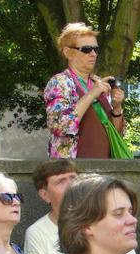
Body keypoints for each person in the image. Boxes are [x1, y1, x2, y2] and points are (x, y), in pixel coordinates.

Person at [24, 159, 138, 254]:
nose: (71, 184)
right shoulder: (37, 233)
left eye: (73, 177)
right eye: (61, 181)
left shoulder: (111, 225)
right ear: (45, 195)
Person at [44, 22, 126, 158]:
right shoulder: (60, 82)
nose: (93, 54)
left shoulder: (98, 83)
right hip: (72, 170)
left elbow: (117, 135)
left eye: (96, 49)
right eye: (86, 49)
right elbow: (60, 127)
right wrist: (92, 94)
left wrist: (117, 108)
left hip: (105, 169)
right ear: (68, 52)